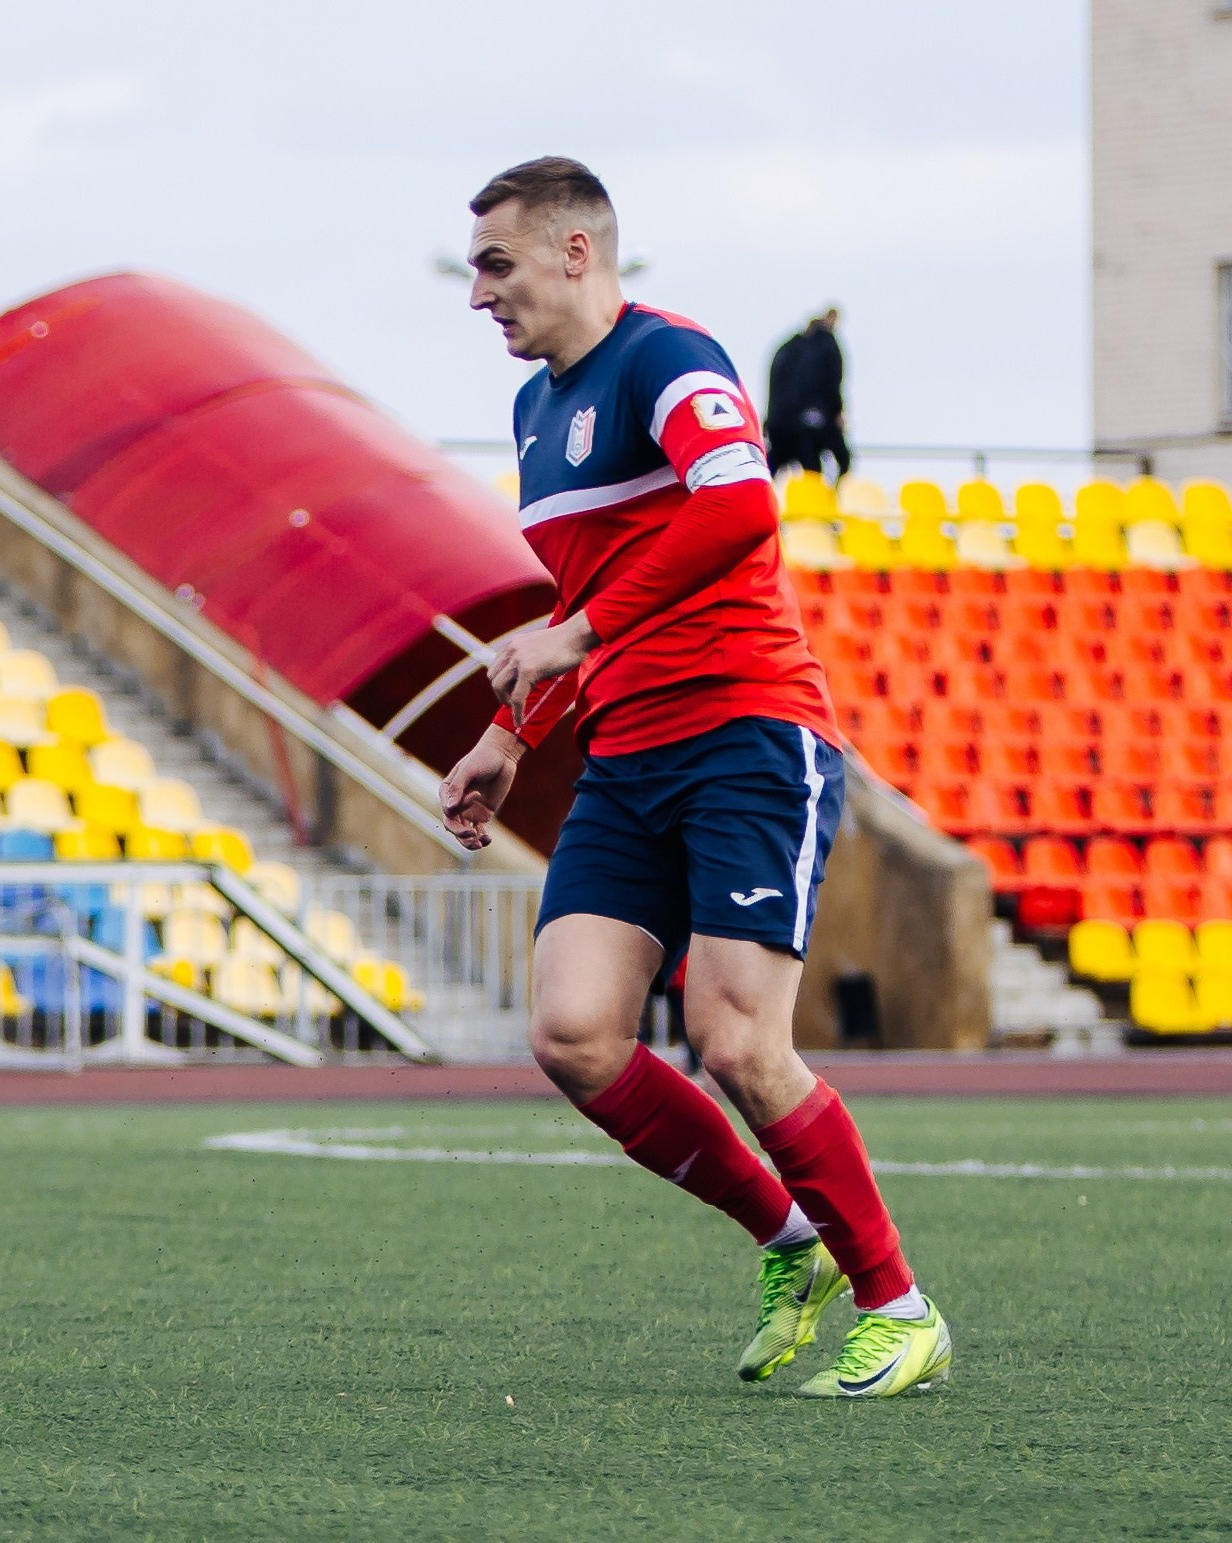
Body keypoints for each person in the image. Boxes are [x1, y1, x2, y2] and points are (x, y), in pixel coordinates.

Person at [444, 158, 949, 1398]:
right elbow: (582, 603)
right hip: (623, 754)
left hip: (745, 734)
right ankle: (790, 1243)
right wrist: (512, 736)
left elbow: (735, 509)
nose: (475, 297)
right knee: (572, 1035)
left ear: (575, 253)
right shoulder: (529, 414)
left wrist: (567, 634)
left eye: (494, 265)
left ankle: (899, 1305)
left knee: (733, 1039)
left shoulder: (670, 356)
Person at [766, 309, 850, 481]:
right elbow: (832, 382)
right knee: (833, 465)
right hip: (811, 423)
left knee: (768, 472)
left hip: (779, 423)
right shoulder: (826, 345)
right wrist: (837, 412)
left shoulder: (788, 347)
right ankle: (830, 500)